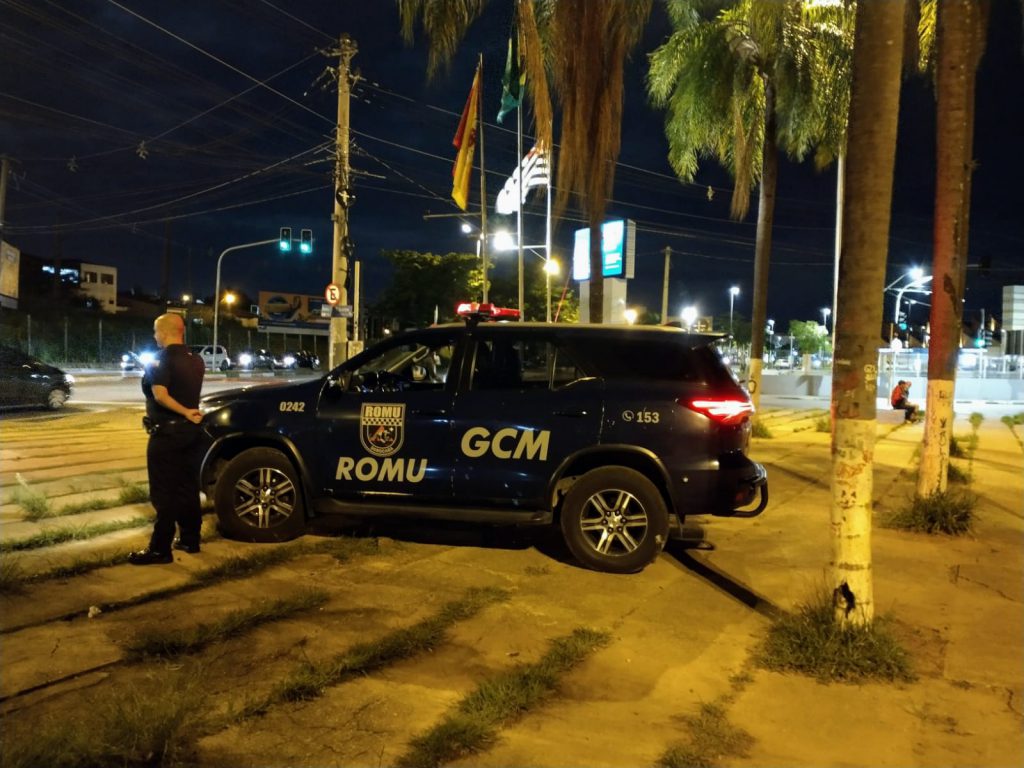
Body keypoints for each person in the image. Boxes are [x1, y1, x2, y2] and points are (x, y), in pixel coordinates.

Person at [129, 313, 206, 565]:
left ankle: (160, 549)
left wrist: (183, 411)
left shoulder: (160, 359)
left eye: (155, 331)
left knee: (164, 493)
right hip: (191, 433)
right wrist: (189, 413)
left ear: (163, 332)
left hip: (166, 434)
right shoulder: (196, 359)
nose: (154, 336)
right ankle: (190, 539)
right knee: (187, 488)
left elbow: (160, 395)